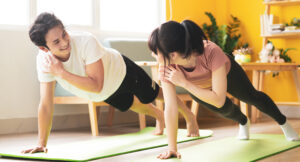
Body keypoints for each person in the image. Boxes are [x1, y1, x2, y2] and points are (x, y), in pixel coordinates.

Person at [22, 13, 199, 154]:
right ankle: (159, 116)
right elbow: (45, 104)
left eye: (64, 34)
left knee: (155, 94)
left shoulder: (85, 41)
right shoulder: (44, 62)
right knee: (136, 106)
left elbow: (96, 84)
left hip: (122, 71)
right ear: (44, 48)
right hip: (106, 92)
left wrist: (61, 72)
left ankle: (189, 115)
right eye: (56, 42)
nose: (65, 42)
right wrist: (41, 143)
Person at [148, 20, 300, 159]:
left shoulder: (211, 51)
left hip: (229, 74)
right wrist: (172, 148)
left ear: (173, 54)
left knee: (252, 97)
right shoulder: (166, 66)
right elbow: (170, 108)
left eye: (155, 52)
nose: (153, 55)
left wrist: (185, 83)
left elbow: (218, 98)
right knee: (224, 109)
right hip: (199, 88)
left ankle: (284, 123)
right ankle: (243, 122)